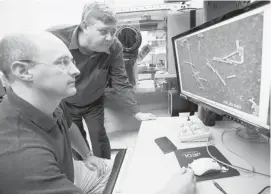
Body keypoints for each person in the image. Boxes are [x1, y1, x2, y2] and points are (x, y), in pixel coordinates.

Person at [0, 32, 196, 194]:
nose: (76, 71)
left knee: (137, 169)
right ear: (23, 71)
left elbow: (68, 126)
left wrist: (87, 156)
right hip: (56, 176)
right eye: (62, 62)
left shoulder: (48, 102)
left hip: (72, 171)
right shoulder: (21, 157)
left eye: (72, 61)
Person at [47, 1, 156, 159]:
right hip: (67, 102)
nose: (110, 38)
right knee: (76, 142)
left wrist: (136, 112)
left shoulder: (114, 46)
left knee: (98, 135)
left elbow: (121, 81)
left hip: (94, 101)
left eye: (113, 31)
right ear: (85, 26)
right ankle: (87, 167)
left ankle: (105, 168)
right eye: (103, 31)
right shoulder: (55, 39)